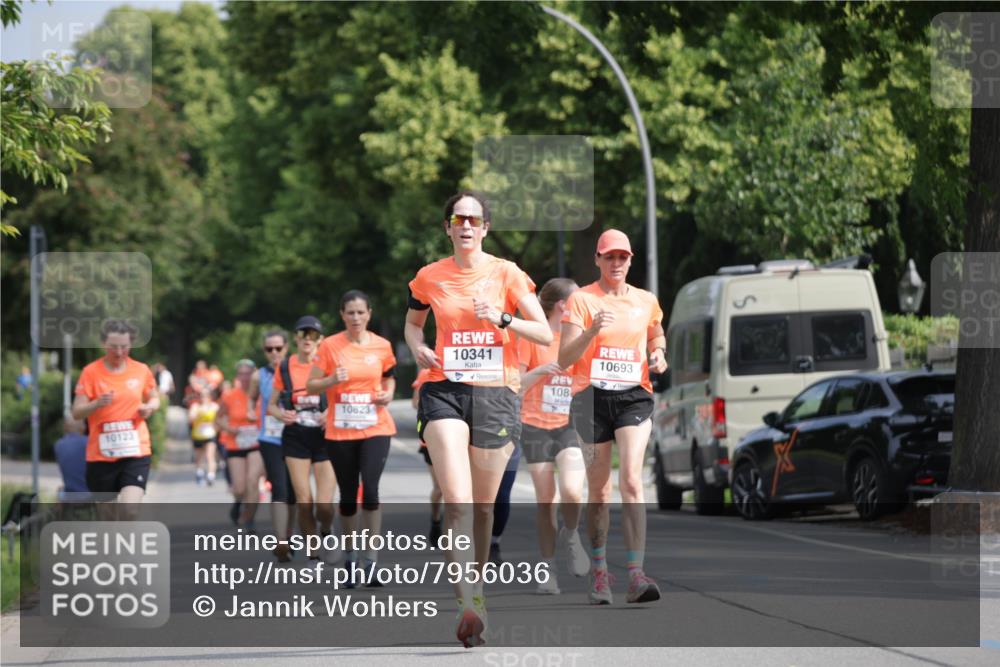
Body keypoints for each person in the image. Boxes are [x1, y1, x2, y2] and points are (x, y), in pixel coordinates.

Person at [404, 192, 551, 647]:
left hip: (496, 395)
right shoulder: (430, 276)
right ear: (447, 227)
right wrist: (417, 348)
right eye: (457, 219)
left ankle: (479, 596)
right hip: (444, 389)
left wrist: (504, 318)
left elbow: (544, 332)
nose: (465, 225)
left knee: (484, 508)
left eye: (474, 219)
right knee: (459, 503)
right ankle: (467, 602)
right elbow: (412, 323)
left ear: (485, 228)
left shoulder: (506, 273)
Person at [558, 229, 668, 606]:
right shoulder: (582, 300)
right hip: (589, 401)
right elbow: (564, 359)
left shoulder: (645, 301)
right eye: (609, 257)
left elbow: (656, 334)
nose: (616, 264)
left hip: (634, 398)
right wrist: (591, 330)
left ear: (631, 260)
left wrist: (659, 354)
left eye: (622, 257)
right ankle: (601, 571)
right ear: (598, 260)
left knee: (633, 481)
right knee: (600, 492)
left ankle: (636, 575)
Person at [309, 292, 396, 586]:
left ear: (369, 313)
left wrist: (388, 393)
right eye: (350, 313)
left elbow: (389, 376)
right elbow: (310, 385)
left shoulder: (382, 346)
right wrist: (331, 380)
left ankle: (370, 561)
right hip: (340, 430)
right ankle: (349, 557)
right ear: (342, 315)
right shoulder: (331, 346)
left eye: (361, 312)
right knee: (347, 495)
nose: (356, 318)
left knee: (370, 491)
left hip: (375, 427)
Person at [516, 278, 589, 594]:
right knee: (546, 501)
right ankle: (547, 570)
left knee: (572, 492)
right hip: (534, 425)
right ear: (563, 305)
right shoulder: (533, 337)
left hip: (570, 425)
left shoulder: (577, 338)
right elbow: (515, 384)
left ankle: (571, 534)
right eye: (577, 299)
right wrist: (541, 371)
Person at [71, 319, 159, 519]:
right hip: (101, 456)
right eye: (113, 347)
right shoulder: (90, 373)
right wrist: (96, 404)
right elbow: (76, 412)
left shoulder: (141, 370)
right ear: (103, 344)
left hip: (135, 451)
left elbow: (154, 398)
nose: (119, 352)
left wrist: (149, 408)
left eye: (124, 347)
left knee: (129, 510)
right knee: (108, 519)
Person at [270, 318, 336, 564]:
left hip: (325, 437)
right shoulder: (286, 367)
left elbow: (344, 396)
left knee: (324, 505)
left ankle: (327, 530)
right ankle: (314, 552)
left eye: (313, 335)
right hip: (296, 436)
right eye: (303, 334)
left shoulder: (329, 364)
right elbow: (271, 405)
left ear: (320, 339)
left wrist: (329, 413)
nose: (307, 339)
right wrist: (281, 414)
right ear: (295, 338)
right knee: (304, 501)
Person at [250, 329, 299, 562]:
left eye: (278, 348)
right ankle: (280, 540)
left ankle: (288, 536)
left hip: (297, 436)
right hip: (270, 438)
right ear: (264, 351)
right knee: (278, 487)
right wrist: (254, 411)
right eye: (269, 349)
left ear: (287, 348)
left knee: (294, 492)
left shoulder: (296, 370)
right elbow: (252, 398)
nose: (274, 353)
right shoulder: (259, 376)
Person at [216, 359, 264, 531]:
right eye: (241, 374)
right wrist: (230, 428)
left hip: (256, 443)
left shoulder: (262, 394)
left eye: (248, 374)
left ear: (254, 375)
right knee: (240, 487)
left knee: (253, 480)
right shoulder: (229, 395)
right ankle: (238, 502)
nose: (244, 378)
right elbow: (218, 418)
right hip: (235, 443)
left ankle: (249, 519)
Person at [412, 368, 442, 544]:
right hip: (431, 440)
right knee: (440, 488)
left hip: (464, 438)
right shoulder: (426, 372)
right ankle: (436, 519)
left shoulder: (469, 368)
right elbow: (415, 402)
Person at [188, 387, 219, 486]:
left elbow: (219, 419)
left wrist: (215, 426)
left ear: (210, 396)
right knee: (198, 457)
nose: (203, 398)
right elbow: (190, 419)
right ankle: (199, 473)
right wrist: (196, 415)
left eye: (205, 395)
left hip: (210, 434)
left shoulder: (215, 406)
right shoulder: (195, 406)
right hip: (198, 435)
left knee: (210, 455)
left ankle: (211, 476)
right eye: (201, 395)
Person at [54, 416, 90, 500]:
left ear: (65, 428)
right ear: (83, 427)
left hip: (69, 495)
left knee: (60, 490)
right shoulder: (89, 442)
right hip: (90, 494)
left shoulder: (58, 445)